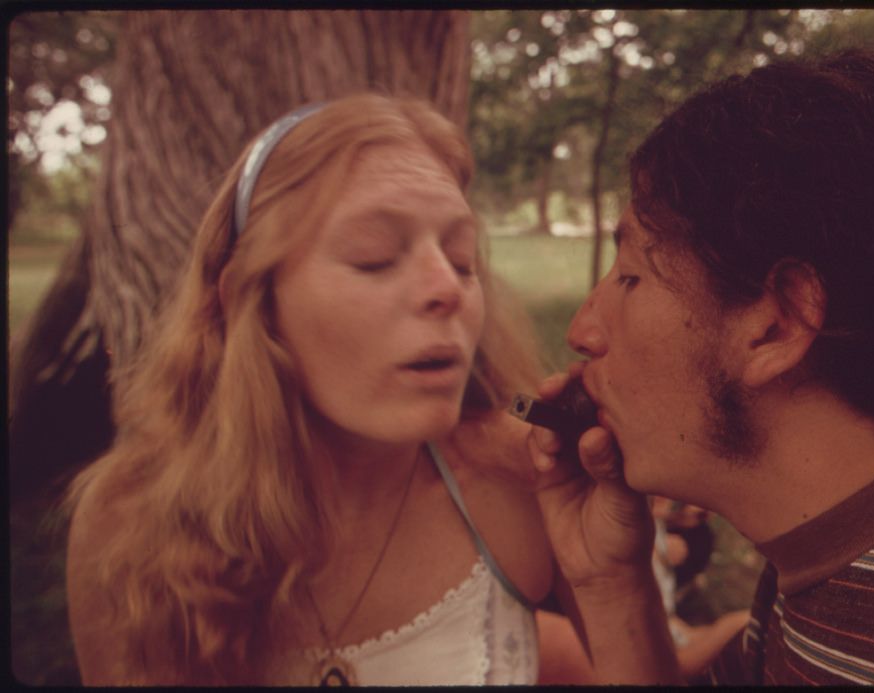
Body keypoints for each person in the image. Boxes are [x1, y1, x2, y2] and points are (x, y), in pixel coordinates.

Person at [527, 49, 874, 686]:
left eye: (630, 276)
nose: (582, 331)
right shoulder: (837, 570)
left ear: (776, 325)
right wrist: (611, 582)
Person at [64, 94, 585, 685]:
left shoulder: (517, 477)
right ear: (248, 306)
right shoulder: (128, 524)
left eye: (463, 260)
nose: (449, 287)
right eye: (374, 258)